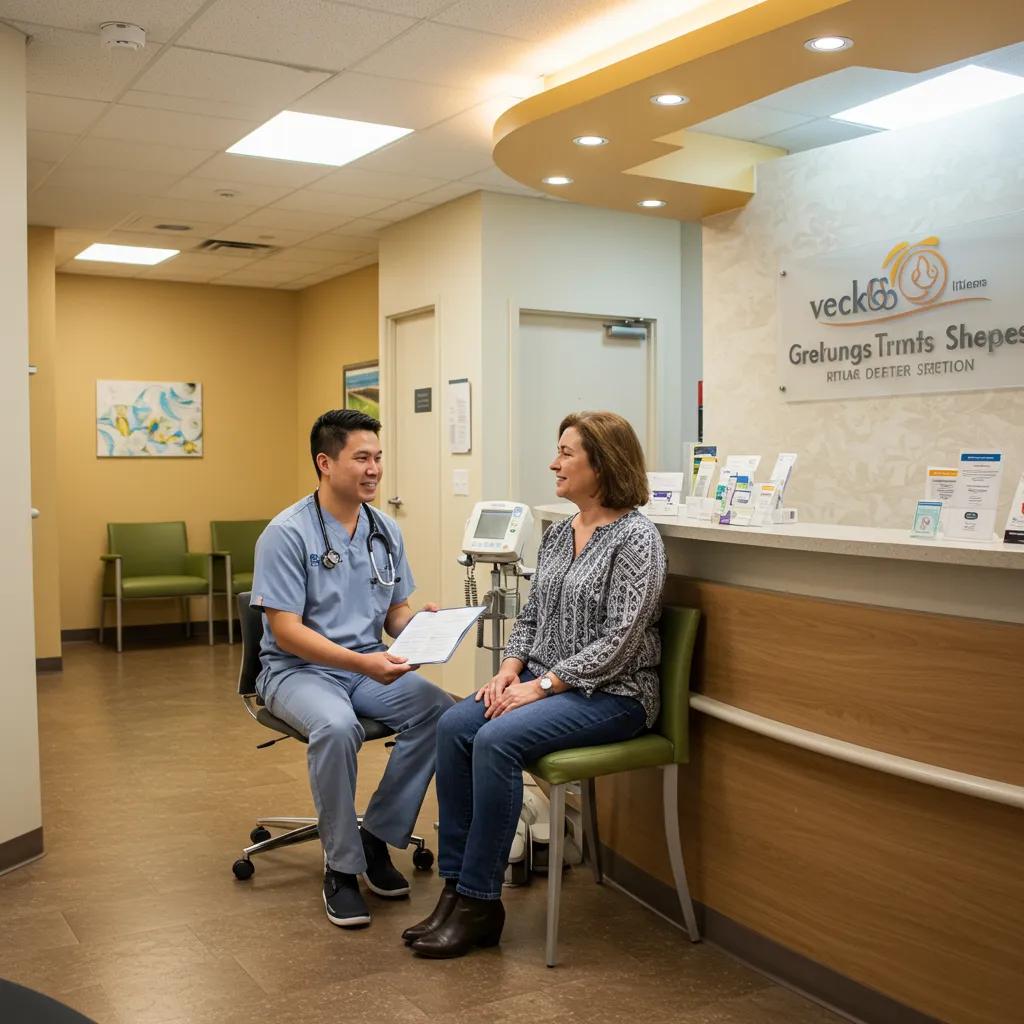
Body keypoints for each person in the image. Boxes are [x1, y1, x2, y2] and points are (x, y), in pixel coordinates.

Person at [403, 411, 666, 958]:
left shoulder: (638, 539)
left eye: (567, 453)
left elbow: (620, 641)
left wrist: (543, 686)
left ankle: (480, 902)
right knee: (454, 725)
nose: (554, 462)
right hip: (547, 680)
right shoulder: (557, 533)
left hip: (616, 695)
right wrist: (508, 667)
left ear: (604, 463)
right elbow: (530, 616)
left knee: (498, 740)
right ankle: (455, 885)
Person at [251, 409, 454, 929]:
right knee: (337, 726)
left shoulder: (384, 530)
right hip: (296, 671)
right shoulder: (287, 533)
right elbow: (287, 631)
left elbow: (393, 612)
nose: (374, 469)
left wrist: (419, 626)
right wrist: (362, 660)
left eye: (379, 457)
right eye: (361, 457)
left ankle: (377, 835)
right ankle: (342, 867)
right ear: (325, 462)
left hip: (365, 666)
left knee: (440, 712)